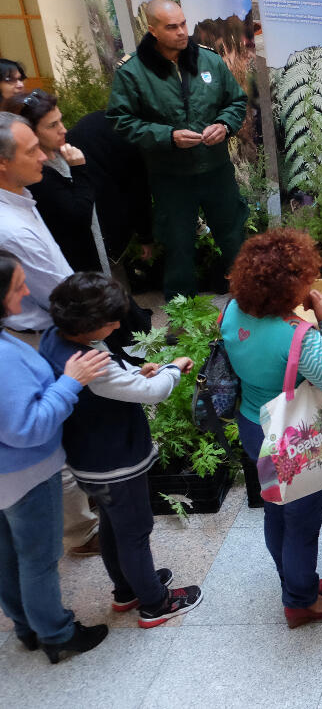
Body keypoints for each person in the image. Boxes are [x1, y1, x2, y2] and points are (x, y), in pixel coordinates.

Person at [40, 272, 203, 628]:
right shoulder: (95, 367)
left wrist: (131, 371)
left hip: (86, 458)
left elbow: (116, 379)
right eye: (112, 321)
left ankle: (126, 589)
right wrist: (173, 369)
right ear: (90, 325)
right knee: (135, 531)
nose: (117, 325)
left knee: (113, 525)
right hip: (116, 461)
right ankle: (154, 603)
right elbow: (152, 393)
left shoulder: (54, 339)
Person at [220, 228, 322, 627]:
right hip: (294, 434)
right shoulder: (298, 337)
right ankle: (301, 601)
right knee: (302, 524)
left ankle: (295, 580)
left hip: (253, 426)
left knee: (276, 509)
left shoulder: (231, 311)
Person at [0, 249, 111, 663]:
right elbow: (27, 428)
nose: (28, 291)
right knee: (40, 558)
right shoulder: (5, 359)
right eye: (17, 287)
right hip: (24, 474)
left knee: (8, 554)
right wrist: (71, 382)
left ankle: (27, 626)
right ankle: (57, 632)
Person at [0, 111, 100, 556]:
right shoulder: (9, 225)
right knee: (47, 430)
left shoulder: (21, 197)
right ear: (3, 164)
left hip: (51, 327)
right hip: (41, 336)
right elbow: (53, 294)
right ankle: (79, 532)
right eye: (31, 151)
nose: (44, 155)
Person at [107, 0, 248, 299]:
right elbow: (120, 120)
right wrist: (167, 136)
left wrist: (224, 125)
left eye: (183, 23)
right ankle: (181, 316)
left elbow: (235, 101)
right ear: (153, 30)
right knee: (178, 245)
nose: (183, 32)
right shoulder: (132, 72)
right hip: (170, 176)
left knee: (234, 236)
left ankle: (252, 304)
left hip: (216, 171)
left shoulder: (209, 61)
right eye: (172, 27)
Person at [3, 89, 107, 274]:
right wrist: (80, 170)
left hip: (90, 258)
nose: (63, 129)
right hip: (73, 271)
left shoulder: (61, 153)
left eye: (60, 120)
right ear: (29, 132)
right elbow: (78, 216)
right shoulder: (35, 175)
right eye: (52, 126)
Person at [66, 110, 152, 265]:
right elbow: (139, 191)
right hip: (106, 219)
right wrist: (145, 236)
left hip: (76, 211)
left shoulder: (95, 119)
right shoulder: (137, 134)